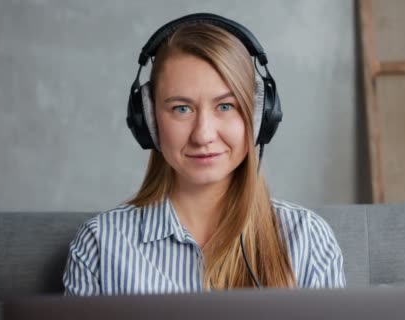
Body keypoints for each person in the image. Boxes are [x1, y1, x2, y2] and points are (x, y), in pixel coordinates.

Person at [63, 13, 345, 296]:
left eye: (225, 106)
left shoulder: (306, 239)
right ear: (149, 121)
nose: (203, 135)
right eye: (181, 109)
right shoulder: (101, 244)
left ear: (258, 116)